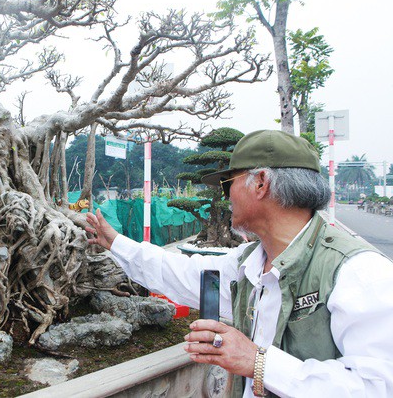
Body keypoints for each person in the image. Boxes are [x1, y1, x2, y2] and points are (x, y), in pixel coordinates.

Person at [86, 130, 393, 397]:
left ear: (260, 183)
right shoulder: (247, 264)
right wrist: (114, 242)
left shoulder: (358, 273)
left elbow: (379, 387)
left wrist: (258, 362)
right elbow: (178, 273)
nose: (225, 196)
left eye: (226, 184)